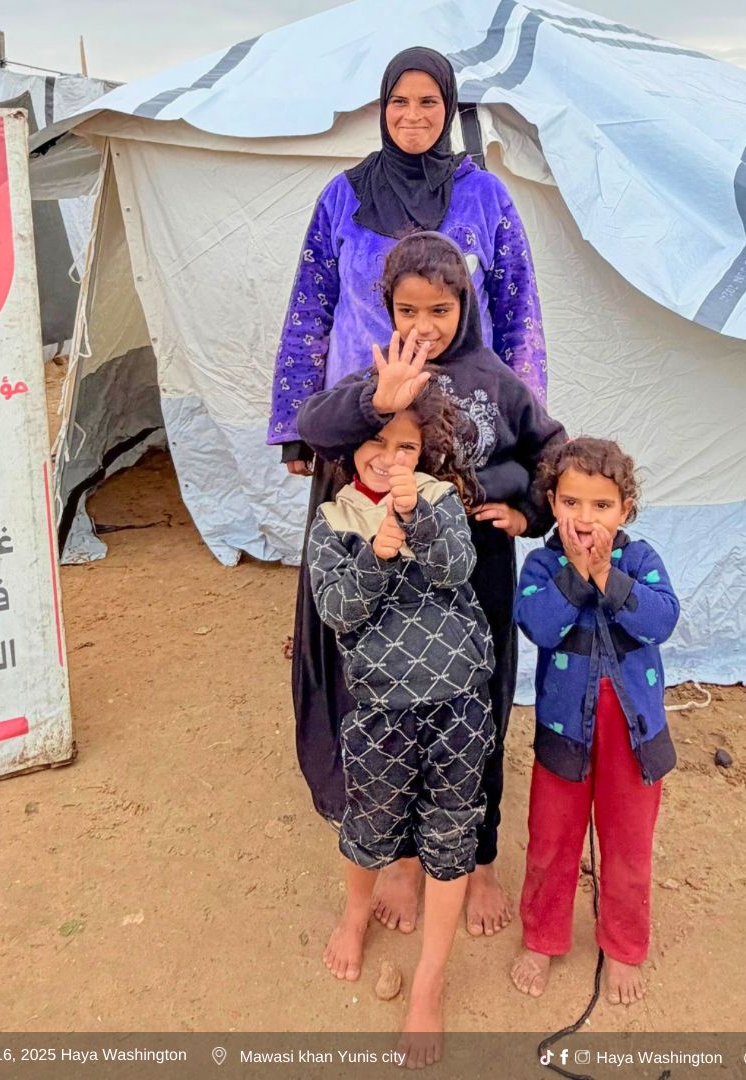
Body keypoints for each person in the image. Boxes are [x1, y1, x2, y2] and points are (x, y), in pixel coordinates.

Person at [271, 43, 548, 937]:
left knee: (471, 663)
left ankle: (475, 852)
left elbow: (520, 311)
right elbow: (310, 304)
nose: (415, 115)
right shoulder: (342, 196)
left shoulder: (485, 195)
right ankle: (390, 849)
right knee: (374, 651)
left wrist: (512, 450)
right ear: (382, 107)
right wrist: (299, 425)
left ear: (449, 107)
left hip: (461, 450)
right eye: (401, 100)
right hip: (366, 443)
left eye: (430, 101)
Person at [297, 231, 565, 935]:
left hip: (478, 577)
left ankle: (479, 858)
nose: (423, 326)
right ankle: (407, 860)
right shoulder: (380, 375)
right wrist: (374, 401)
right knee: (397, 721)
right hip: (396, 589)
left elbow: (549, 451)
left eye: (440, 310)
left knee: (478, 716)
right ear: (389, 309)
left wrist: (528, 510)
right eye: (408, 311)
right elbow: (313, 429)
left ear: (464, 305)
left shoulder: (495, 380)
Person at [308, 377, 493, 1068]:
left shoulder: (441, 501)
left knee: (450, 831)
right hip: (381, 709)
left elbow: (457, 569)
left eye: (407, 447)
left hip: (459, 702)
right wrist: (376, 553)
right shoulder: (336, 520)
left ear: (426, 452)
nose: (391, 458)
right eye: (377, 444)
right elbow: (336, 611)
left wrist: (417, 518)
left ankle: (430, 982)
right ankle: (355, 915)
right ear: (352, 449)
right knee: (372, 820)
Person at [510, 438, 680, 1006]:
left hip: (634, 737)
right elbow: (538, 625)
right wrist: (578, 575)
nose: (585, 519)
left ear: (625, 510)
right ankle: (543, 936)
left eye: (602, 505)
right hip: (566, 735)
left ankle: (624, 946)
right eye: (571, 503)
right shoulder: (542, 565)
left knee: (628, 846)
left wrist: (607, 575)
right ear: (552, 503)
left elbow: (661, 621)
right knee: (551, 841)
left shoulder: (640, 560)